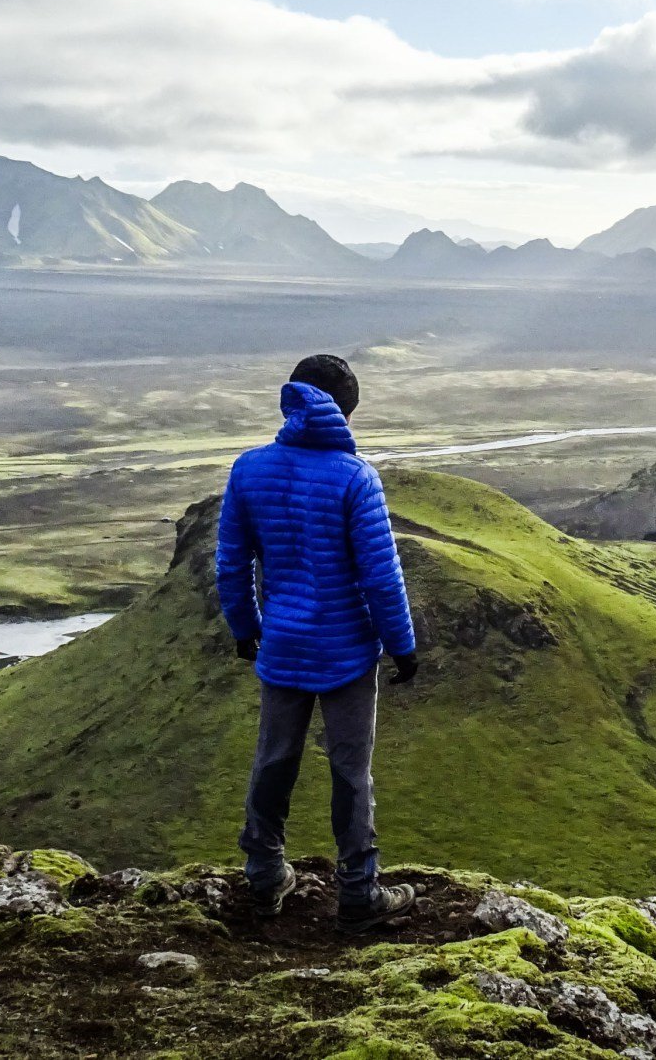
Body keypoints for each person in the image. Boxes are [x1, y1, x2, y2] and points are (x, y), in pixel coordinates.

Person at [214, 353, 421, 932]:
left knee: (274, 759)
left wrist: (244, 628)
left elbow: (231, 563)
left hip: (280, 644)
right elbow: (382, 576)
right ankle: (358, 893)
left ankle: (263, 877)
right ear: (343, 411)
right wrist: (402, 647)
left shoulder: (248, 470)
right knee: (351, 771)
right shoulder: (356, 478)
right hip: (347, 651)